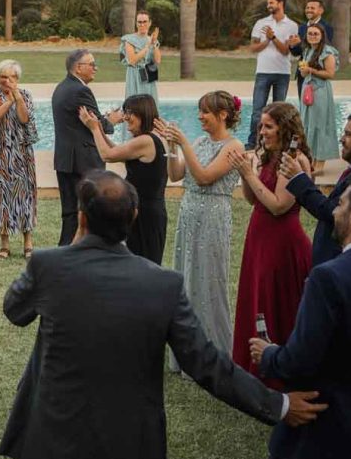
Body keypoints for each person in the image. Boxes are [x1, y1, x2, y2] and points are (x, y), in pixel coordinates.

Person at [0, 170, 326, 459]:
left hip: (47, 448)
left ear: (81, 218)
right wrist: (277, 405)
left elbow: (15, 311)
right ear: (133, 218)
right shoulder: (164, 285)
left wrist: (69, 248)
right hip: (124, 457)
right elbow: (208, 365)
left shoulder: (48, 265)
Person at [249, 171, 351, 459]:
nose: (336, 209)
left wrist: (270, 354)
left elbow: (300, 359)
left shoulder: (331, 277)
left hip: (316, 435)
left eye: (342, 203)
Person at [157, 92, 244, 366]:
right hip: (189, 214)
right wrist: (172, 146)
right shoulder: (199, 141)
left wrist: (183, 143)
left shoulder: (234, 147)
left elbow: (205, 177)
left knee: (210, 280)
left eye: (205, 111)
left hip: (213, 216)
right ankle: (186, 352)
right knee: (187, 278)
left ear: (223, 115)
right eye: (199, 110)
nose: (200, 116)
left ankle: (214, 354)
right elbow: (175, 174)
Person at [228, 102, 313, 376]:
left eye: (269, 126)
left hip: (282, 242)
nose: (262, 131)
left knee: (276, 303)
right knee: (257, 298)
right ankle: (253, 364)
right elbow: (254, 199)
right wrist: (245, 173)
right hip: (259, 237)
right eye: (261, 125)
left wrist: (250, 174)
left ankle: (278, 367)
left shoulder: (294, 161)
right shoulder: (271, 156)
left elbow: (278, 205)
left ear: (284, 129)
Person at [80, 94, 167, 264]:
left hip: (145, 214)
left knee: (143, 264)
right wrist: (99, 128)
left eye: (130, 112)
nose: (125, 117)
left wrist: (94, 129)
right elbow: (118, 150)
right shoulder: (148, 138)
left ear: (143, 113)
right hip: (147, 210)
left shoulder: (146, 141)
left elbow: (107, 155)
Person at [51, 49, 120, 246]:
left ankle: (65, 252)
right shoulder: (81, 91)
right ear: (79, 68)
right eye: (91, 64)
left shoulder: (62, 87)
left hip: (66, 160)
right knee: (87, 212)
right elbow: (97, 125)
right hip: (83, 161)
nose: (95, 68)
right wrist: (112, 120)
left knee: (70, 212)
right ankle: (78, 253)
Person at [281, 110, 351, 265]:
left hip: (340, 264)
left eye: (349, 135)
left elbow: (331, 212)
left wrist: (298, 178)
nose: (342, 139)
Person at [0, 59, 38, 260]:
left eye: (11, 77)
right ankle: (4, 244)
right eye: (3, 77)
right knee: (1, 196)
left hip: (21, 154)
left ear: (17, 79)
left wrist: (18, 99)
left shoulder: (26, 96)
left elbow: (25, 119)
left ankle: (28, 243)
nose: (6, 81)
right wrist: (9, 101)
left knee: (24, 196)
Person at [247, 0, 298, 151]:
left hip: (282, 73)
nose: (268, 6)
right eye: (268, 3)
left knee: (279, 111)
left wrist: (273, 38)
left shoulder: (292, 25)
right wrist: (267, 40)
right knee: (257, 110)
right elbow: (253, 47)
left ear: (280, 3)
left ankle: (278, 143)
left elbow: (285, 51)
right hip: (263, 71)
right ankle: (253, 143)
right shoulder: (260, 23)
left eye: (271, 3)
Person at [298, 22, 340, 174]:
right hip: (308, 90)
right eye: (310, 33)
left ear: (322, 36)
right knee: (308, 123)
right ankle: (311, 160)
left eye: (316, 34)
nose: (312, 36)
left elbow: (330, 74)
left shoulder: (328, 52)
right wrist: (304, 71)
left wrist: (311, 70)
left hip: (321, 92)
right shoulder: (308, 50)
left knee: (320, 124)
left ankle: (320, 164)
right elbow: (305, 73)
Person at [288, 0, 334, 97]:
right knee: (303, 105)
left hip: (318, 73)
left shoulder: (327, 27)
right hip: (302, 73)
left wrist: (301, 42)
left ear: (321, 10)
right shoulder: (302, 27)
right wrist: (292, 45)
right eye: (307, 8)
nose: (309, 10)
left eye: (312, 8)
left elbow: (324, 48)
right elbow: (297, 52)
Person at [120, 11, 161, 101]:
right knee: (134, 104)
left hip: (149, 76)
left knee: (150, 106)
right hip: (134, 76)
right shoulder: (129, 40)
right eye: (139, 22)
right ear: (136, 23)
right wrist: (147, 46)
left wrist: (154, 43)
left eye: (144, 21)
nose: (142, 24)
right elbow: (132, 60)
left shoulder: (153, 40)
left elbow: (157, 60)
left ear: (149, 23)